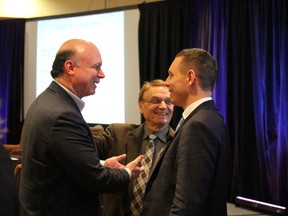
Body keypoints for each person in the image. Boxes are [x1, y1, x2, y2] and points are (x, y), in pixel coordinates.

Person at [19, 39, 144, 216]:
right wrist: (126, 173)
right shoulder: (63, 114)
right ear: (70, 68)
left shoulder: (47, 100)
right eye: (96, 67)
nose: (102, 74)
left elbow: (62, 160)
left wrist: (101, 164)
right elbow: (95, 179)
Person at [142, 48, 231, 215]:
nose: (167, 82)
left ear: (190, 77)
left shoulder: (199, 125)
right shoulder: (210, 117)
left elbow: (187, 206)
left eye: (171, 75)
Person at [92, 79, 174, 216]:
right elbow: (83, 151)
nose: (163, 106)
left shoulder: (179, 143)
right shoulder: (117, 133)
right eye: (156, 100)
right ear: (141, 105)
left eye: (168, 101)